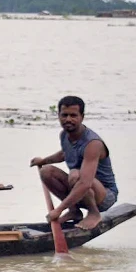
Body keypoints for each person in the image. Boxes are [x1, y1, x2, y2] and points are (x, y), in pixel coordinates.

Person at [30, 95, 119, 230]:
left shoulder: (93, 144)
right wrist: (43, 161)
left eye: (73, 115)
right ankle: (74, 211)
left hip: (103, 196)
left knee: (76, 174)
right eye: (64, 115)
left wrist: (58, 210)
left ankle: (93, 213)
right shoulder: (64, 135)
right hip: (78, 189)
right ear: (58, 116)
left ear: (82, 117)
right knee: (46, 171)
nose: (68, 119)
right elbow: (64, 154)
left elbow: (85, 183)